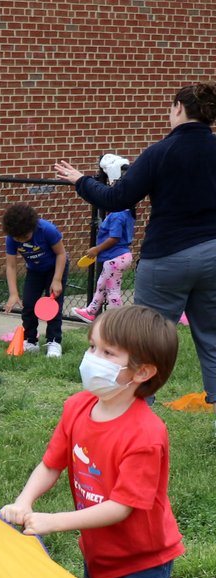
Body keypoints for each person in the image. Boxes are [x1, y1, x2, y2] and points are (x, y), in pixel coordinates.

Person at [0, 305, 183, 578]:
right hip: (98, 549)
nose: (92, 358)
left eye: (108, 352)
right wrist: (24, 501)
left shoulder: (146, 435)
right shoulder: (77, 407)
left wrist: (54, 521)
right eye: (92, 346)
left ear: (142, 372)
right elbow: (50, 464)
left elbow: (121, 507)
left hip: (143, 560)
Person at [55, 83, 216, 408]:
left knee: (146, 338)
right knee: (212, 336)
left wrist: (81, 180)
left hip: (167, 258)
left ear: (179, 109)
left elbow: (118, 198)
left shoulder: (160, 152)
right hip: (213, 254)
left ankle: (139, 408)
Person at [73, 155, 135, 324]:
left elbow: (114, 238)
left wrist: (96, 249)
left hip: (114, 257)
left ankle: (118, 321)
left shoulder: (117, 214)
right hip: (119, 257)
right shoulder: (127, 211)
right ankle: (91, 311)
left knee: (113, 289)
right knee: (102, 284)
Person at [1, 204, 68, 357]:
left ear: (32, 227)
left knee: (53, 305)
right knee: (29, 304)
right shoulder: (12, 237)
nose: (20, 240)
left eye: (24, 237)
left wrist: (57, 280)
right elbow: (11, 265)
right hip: (34, 270)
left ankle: (54, 342)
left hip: (55, 268)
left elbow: (61, 254)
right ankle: (31, 341)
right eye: (17, 238)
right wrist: (13, 293)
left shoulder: (47, 230)